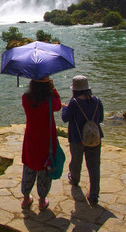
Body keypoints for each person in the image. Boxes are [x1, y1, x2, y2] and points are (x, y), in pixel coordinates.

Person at [62, 75, 104, 207]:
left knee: (76, 161)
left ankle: (75, 180)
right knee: (94, 166)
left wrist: (65, 107)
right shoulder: (97, 101)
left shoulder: (74, 102)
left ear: (74, 90)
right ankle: (94, 195)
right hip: (95, 138)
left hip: (77, 138)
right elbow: (101, 119)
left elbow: (65, 118)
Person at [20, 76, 62, 211]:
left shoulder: (26, 99)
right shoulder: (50, 101)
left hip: (31, 140)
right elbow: (58, 105)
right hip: (46, 141)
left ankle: (26, 199)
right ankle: (42, 200)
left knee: (29, 169)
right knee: (45, 171)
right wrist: (53, 88)